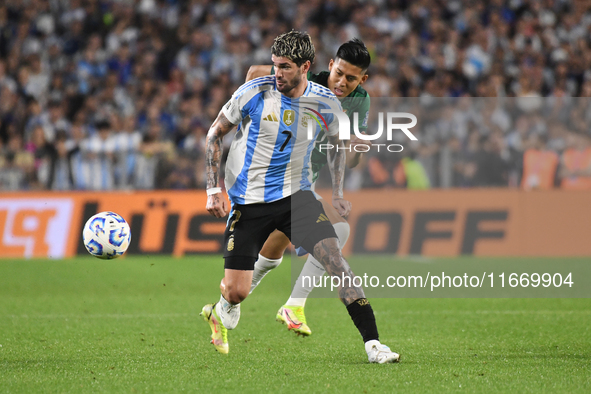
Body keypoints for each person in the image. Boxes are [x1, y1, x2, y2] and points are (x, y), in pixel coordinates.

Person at [201, 31, 399, 364]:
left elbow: (339, 147)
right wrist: (212, 189)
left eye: (285, 67)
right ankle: (227, 305)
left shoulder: (327, 101)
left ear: (304, 66)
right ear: (328, 66)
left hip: (298, 196)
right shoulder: (256, 91)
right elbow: (214, 133)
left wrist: (337, 192)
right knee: (238, 289)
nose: (277, 73)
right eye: (275, 66)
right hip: (249, 202)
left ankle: (373, 344)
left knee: (338, 263)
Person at [245, 39, 373, 337]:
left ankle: (225, 304)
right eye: (338, 73)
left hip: (305, 179)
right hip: (277, 175)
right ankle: (294, 305)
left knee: (272, 251)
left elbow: (350, 159)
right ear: (329, 65)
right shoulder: (306, 81)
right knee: (338, 231)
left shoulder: (359, 102)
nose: (341, 82)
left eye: (351, 78)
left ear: (362, 79)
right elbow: (253, 72)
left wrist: (357, 147)